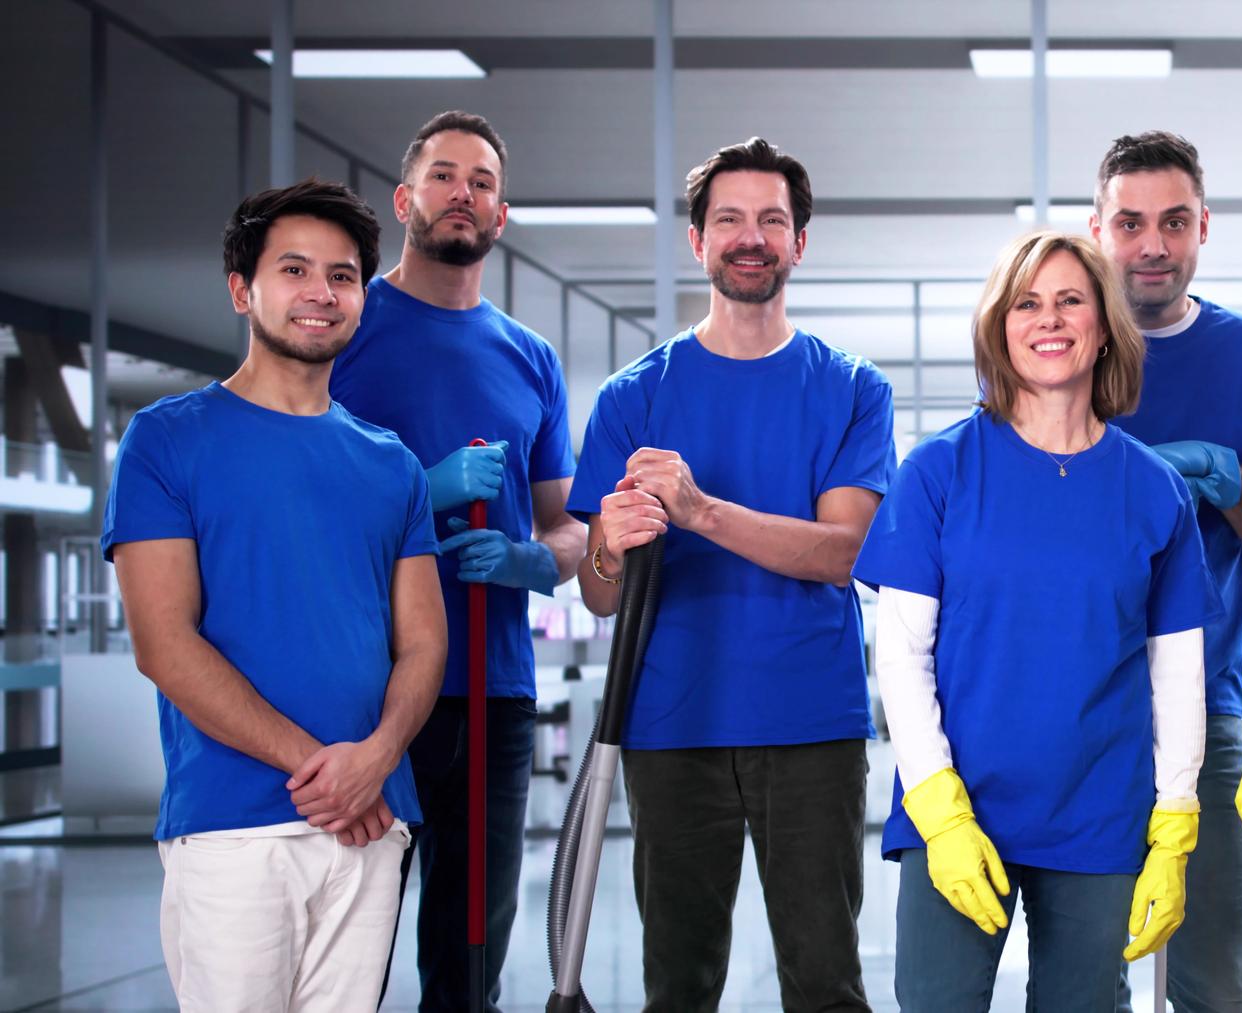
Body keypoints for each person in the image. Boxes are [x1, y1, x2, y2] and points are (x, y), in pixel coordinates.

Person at [105, 179, 445, 1012]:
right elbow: (164, 642)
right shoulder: (166, 440)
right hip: (235, 822)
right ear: (241, 290)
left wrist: (375, 762)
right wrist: (325, 773)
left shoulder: (392, 463)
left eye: (342, 275)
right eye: (294, 269)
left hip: (373, 821)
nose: (321, 292)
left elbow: (424, 642)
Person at [854, 230, 1215, 1012]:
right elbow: (902, 655)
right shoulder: (938, 470)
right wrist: (939, 808)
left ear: (1103, 325)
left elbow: (1177, 673)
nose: (1048, 319)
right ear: (1000, 326)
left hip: (1099, 810)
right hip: (958, 799)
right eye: (1027, 303)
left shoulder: (1154, 490)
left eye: (1069, 300)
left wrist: (1176, 817)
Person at [571, 137, 893, 1012]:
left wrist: (701, 511)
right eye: (729, 220)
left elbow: (847, 552)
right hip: (671, 725)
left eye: (771, 221)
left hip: (811, 726)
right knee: (678, 986)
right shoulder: (633, 396)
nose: (751, 238)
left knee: (825, 985)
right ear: (698, 240)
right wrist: (609, 544)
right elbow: (600, 592)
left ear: (799, 243)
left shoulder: (852, 389)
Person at [328, 110, 586, 1012]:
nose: (462, 194)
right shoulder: (344, 325)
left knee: (469, 963)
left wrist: (529, 560)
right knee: (344, 955)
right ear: (405, 201)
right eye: (443, 175)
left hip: (490, 691)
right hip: (361, 688)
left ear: (500, 216)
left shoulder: (530, 359)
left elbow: (570, 528)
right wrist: (418, 488)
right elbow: (297, 501)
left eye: (481, 182)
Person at [1088, 131, 1242, 1012]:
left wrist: (1228, 479)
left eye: (1174, 222)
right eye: (1131, 223)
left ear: (1204, 227)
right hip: (1075, 709)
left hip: (1207, 703)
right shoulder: (1055, 343)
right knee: (1084, 977)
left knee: (1217, 980)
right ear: (1098, 229)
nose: (1153, 245)